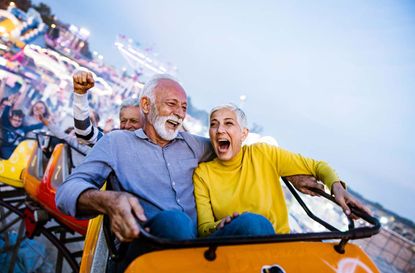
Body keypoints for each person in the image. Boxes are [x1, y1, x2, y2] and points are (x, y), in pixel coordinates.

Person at [56, 74, 215, 271]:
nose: (179, 113)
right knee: (175, 222)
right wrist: (108, 200)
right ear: (147, 106)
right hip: (143, 250)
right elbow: (66, 191)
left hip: (201, 250)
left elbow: (229, 149)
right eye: (172, 104)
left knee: (253, 224)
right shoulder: (116, 142)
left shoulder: (192, 144)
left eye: (183, 108)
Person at [193, 104, 371, 237]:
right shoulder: (203, 174)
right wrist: (220, 225)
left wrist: (337, 188)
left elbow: (318, 167)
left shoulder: (264, 153)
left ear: (244, 134)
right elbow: (204, 229)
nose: (219, 130)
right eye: (214, 124)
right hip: (230, 247)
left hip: (279, 245)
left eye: (228, 123)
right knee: (251, 223)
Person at [71, 70, 144, 144]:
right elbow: (84, 133)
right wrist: (80, 94)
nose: (127, 126)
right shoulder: (111, 143)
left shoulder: (149, 151)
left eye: (133, 121)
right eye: (123, 121)